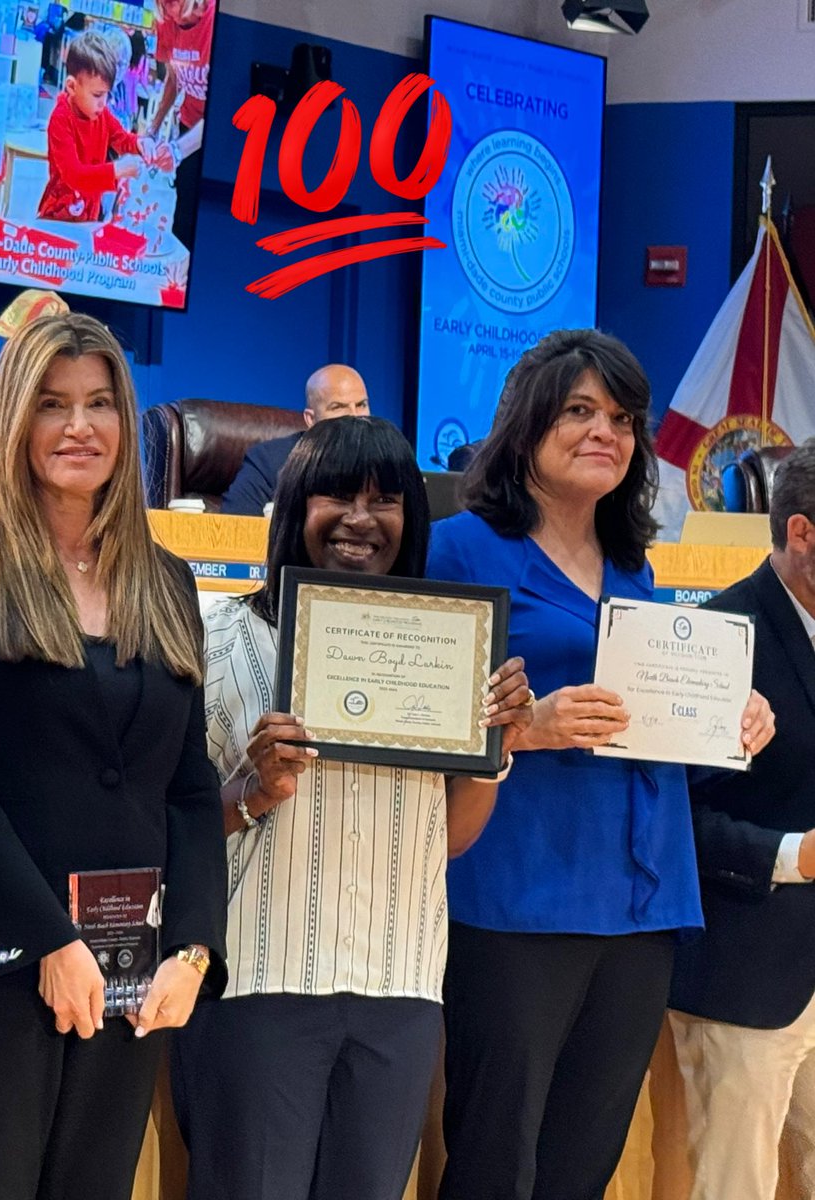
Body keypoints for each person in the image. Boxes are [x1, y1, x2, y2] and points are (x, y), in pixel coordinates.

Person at [425, 328, 776, 1200]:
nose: (604, 433)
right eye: (580, 411)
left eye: (621, 418)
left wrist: (728, 727)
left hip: (643, 904)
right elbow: (418, 721)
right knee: (495, 1161)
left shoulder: (636, 567)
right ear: (529, 422)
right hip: (514, 900)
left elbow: (654, 740)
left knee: (586, 1163)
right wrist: (525, 728)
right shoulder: (458, 549)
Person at [0, 312, 227, 1200]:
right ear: (13, 422)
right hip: (0, 957)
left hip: (129, 966)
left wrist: (192, 951)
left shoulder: (168, 582)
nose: (78, 427)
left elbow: (191, 789)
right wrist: (52, 940)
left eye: (98, 403)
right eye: (51, 405)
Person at [172, 415, 534, 1200]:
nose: (361, 519)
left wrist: (494, 746)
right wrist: (250, 792)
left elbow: (452, 839)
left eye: (386, 500)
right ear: (294, 507)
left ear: (413, 520)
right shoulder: (218, 636)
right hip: (255, 981)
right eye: (336, 495)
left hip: (400, 989)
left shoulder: (449, 652)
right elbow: (171, 820)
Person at [666, 442, 815, 1200]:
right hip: (747, 974)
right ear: (801, 535)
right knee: (735, 1187)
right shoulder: (716, 635)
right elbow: (675, 820)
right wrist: (794, 855)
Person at [38, 31, 169, 222]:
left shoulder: (102, 114)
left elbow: (122, 138)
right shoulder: (60, 119)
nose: (103, 102)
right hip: (59, 215)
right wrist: (116, 170)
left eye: (107, 94)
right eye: (97, 95)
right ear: (72, 87)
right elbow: (74, 175)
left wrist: (140, 143)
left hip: (90, 214)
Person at [221, 363, 371, 515]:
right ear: (311, 419)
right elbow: (234, 528)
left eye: (361, 405)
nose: (355, 417)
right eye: (338, 407)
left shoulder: (387, 459)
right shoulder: (269, 461)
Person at [149, 0, 217, 250]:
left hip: (217, 132)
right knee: (183, 216)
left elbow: (219, 109)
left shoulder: (213, 22)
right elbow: (173, 80)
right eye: (162, 4)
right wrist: (152, 130)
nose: (168, 10)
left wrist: (178, 149)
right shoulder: (166, 22)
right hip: (188, 124)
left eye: (173, 3)